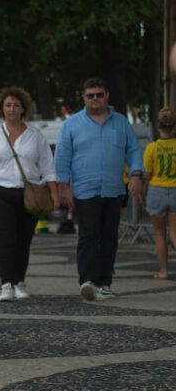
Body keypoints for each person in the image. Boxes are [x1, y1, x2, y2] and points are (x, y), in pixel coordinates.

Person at [54, 78, 143, 301]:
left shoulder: (121, 123)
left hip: (113, 190)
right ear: (83, 97)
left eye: (99, 94)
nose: (95, 99)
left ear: (107, 96)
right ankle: (87, 281)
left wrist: (136, 175)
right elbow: (62, 158)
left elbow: (133, 151)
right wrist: (63, 187)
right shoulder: (71, 125)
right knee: (88, 236)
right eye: (90, 95)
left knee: (109, 237)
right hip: (84, 190)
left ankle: (105, 283)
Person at [0, 87, 58, 301]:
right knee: (7, 237)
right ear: (2, 108)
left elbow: (48, 166)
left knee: (23, 240)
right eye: (8, 105)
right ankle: (7, 284)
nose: (12, 109)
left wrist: (54, 194)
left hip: (29, 194)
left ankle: (20, 282)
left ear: (24, 108)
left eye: (16, 105)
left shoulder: (35, 135)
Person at [143, 107, 176, 280]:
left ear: (158, 126)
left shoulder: (152, 148)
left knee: (159, 234)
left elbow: (147, 174)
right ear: (174, 126)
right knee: (175, 233)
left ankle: (164, 271)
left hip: (157, 191)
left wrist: (142, 192)